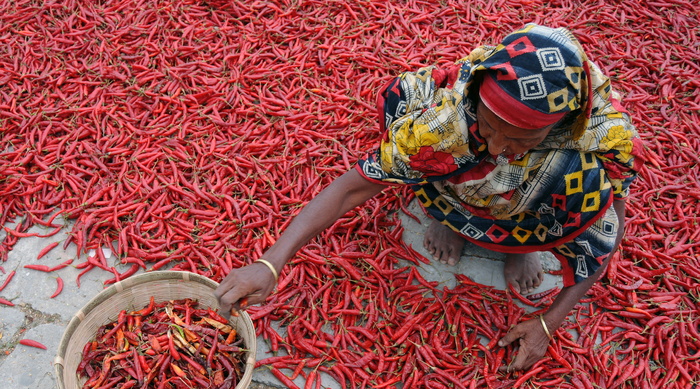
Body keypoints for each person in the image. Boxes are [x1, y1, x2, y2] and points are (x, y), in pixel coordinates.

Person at [214, 24, 643, 371]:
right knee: (417, 125)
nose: (496, 147)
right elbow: (353, 186)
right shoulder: (448, 120)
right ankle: (448, 213)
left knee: (579, 184)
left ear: (560, 125)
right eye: (490, 127)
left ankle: (526, 242)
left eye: (519, 137)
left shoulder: (601, 132)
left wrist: (549, 324)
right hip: (448, 155)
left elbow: (608, 230)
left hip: (540, 197)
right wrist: (271, 262)